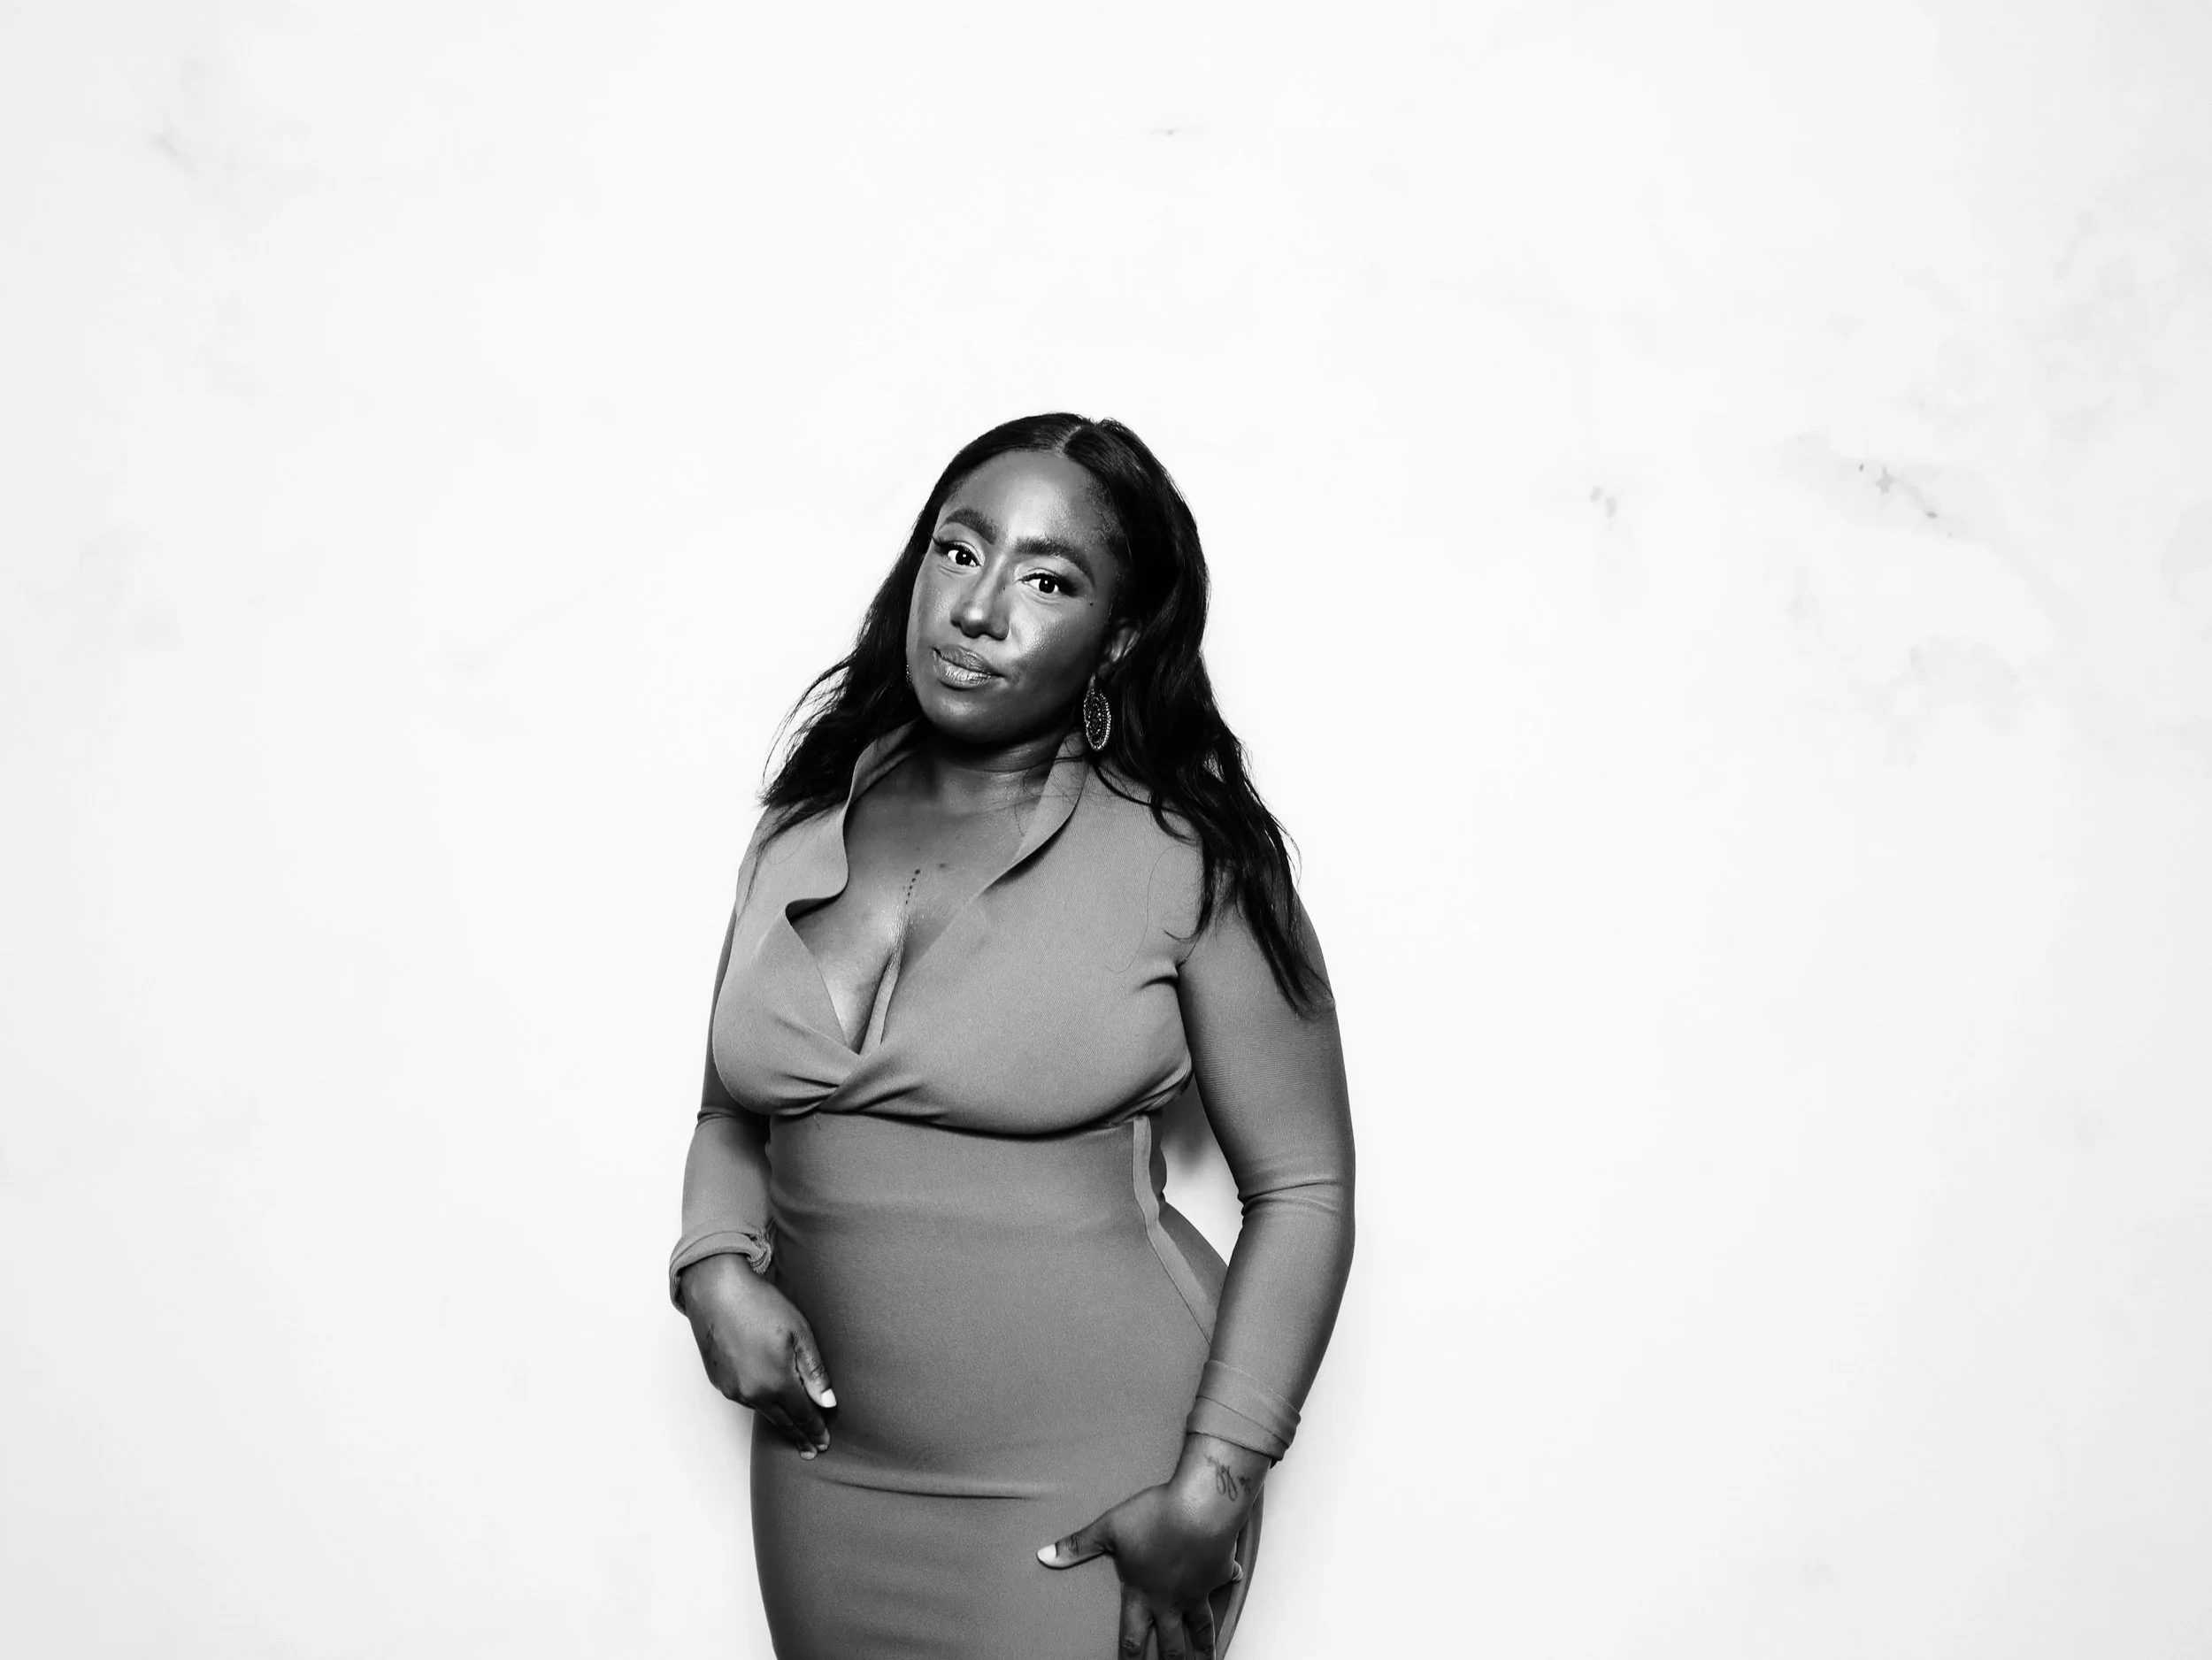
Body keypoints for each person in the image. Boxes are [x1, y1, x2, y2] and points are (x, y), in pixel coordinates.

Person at [669, 413, 1356, 1659]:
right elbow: (732, 1114)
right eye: (958, 552)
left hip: (1095, 1471)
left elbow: (1304, 1186)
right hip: (828, 1469)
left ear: (1122, 636)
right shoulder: (798, 824)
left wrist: (1214, 1486)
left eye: (1049, 580)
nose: (979, 610)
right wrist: (714, 1265)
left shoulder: (1189, 861)